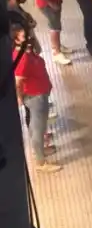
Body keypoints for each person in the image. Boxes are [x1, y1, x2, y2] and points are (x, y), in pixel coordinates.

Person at [12, 23, 61, 173]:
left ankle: (39, 151)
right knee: (38, 128)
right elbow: (18, 81)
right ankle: (41, 161)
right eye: (23, 36)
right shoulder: (23, 59)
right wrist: (19, 98)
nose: (28, 37)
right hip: (35, 97)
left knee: (36, 126)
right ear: (16, 40)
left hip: (39, 93)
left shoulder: (26, 52)